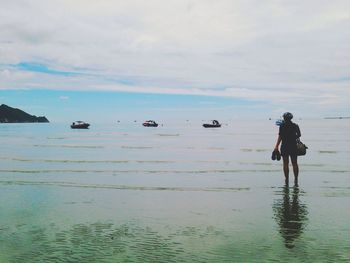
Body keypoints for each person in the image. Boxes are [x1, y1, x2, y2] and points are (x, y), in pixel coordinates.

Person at [274, 112, 301, 184]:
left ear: (284, 118)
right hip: (293, 146)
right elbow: (299, 135)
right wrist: (293, 136)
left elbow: (280, 136)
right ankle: (296, 179)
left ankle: (287, 179)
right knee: (294, 163)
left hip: (284, 146)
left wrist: (276, 146)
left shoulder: (282, 126)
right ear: (291, 118)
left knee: (285, 163)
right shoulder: (295, 125)